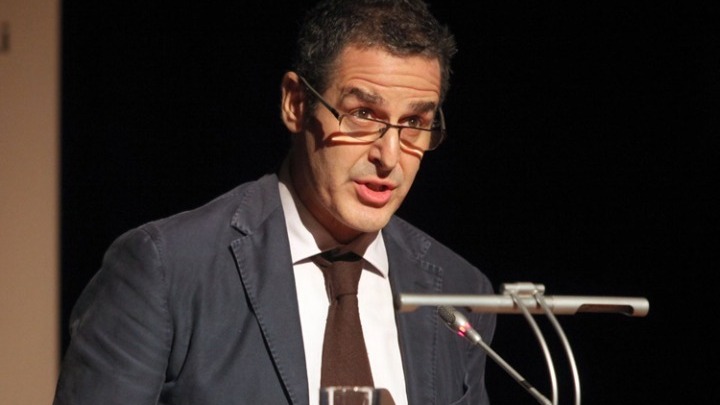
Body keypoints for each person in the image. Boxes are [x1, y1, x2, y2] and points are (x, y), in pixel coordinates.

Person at [53, 0, 497, 404]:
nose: (390, 156)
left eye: (415, 122)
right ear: (296, 104)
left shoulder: (458, 292)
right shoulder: (166, 271)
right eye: (363, 115)